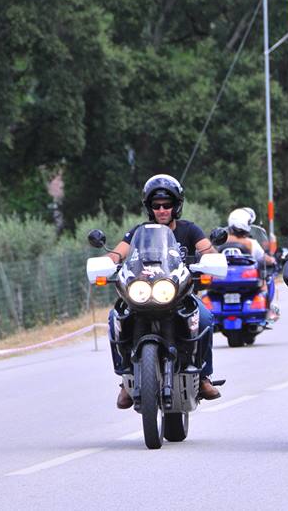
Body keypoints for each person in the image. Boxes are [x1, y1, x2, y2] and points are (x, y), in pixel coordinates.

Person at [107, 174, 221, 408]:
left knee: (206, 318)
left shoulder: (189, 230)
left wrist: (208, 260)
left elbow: (209, 252)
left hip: (180, 295)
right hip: (142, 294)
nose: (161, 210)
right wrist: (108, 262)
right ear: (149, 208)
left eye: (166, 205)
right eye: (156, 205)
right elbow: (118, 253)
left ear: (176, 206)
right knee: (114, 318)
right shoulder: (139, 232)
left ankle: (204, 376)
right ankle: (126, 377)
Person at [224, 207, 278, 319]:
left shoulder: (222, 241)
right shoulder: (251, 243)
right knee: (264, 283)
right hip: (245, 279)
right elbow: (263, 258)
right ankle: (268, 311)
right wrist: (272, 260)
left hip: (224, 278)